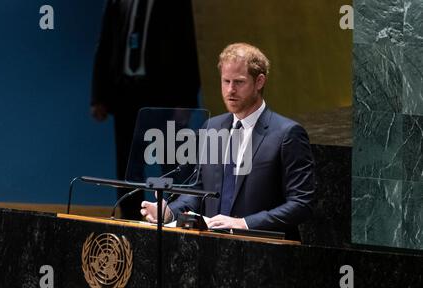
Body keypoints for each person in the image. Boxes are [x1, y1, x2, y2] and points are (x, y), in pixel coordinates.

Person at [140, 43, 315, 240]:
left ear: (259, 82)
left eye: (239, 82)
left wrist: (245, 224)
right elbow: (200, 190)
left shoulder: (287, 134)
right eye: (226, 81)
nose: (230, 90)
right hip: (215, 250)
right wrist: (170, 211)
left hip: (266, 252)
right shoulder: (211, 128)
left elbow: (302, 203)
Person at [90, 0, 200, 220]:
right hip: (126, 96)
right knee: (128, 167)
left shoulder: (177, 4)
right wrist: (98, 97)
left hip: (165, 97)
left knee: (173, 164)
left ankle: (174, 219)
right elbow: (105, 43)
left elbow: (188, 45)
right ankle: (130, 222)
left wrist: (186, 101)